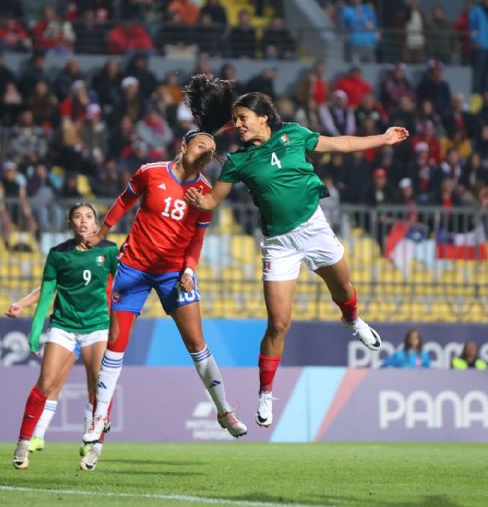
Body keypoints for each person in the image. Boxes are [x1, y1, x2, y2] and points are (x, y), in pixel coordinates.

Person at [183, 75, 410, 428]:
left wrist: (383, 138)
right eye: (237, 119)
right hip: (279, 244)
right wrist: (199, 199)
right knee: (278, 323)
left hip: (315, 230)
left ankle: (352, 320)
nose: (238, 125)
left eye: (244, 118)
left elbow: (343, 143)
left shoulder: (295, 135)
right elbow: (213, 200)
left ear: (263, 118)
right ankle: (266, 393)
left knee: (345, 291)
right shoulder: (237, 162)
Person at [80, 129, 248, 456]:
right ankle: (98, 418)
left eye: (211, 150)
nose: (206, 152)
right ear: (183, 146)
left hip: (174, 273)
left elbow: (197, 239)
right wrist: (102, 233)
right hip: (133, 269)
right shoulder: (150, 172)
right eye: (201, 145)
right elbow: (124, 201)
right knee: (116, 345)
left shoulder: (205, 193)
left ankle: (224, 410)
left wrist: (189, 269)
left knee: (197, 344)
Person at [10, 203, 119, 471]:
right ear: (69, 223)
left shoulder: (109, 250)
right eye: (78, 217)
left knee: (99, 389)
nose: (84, 221)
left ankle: (95, 448)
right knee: (46, 384)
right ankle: (24, 443)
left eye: (89, 217)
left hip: (97, 326)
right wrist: (36, 332)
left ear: (96, 224)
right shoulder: (58, 255)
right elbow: (47, 293)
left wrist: (122, 324)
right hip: (64, 326)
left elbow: (124, 286)